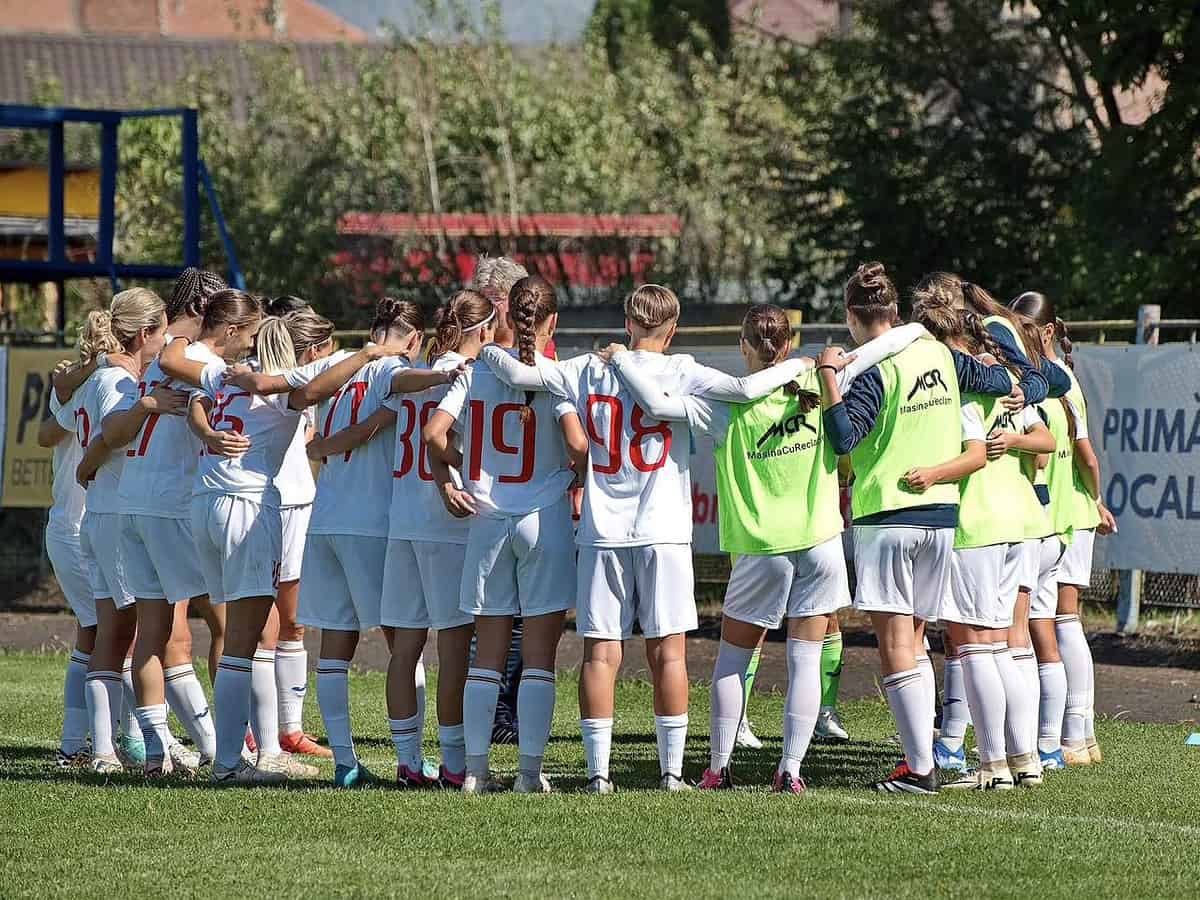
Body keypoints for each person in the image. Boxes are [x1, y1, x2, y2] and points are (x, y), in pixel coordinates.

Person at [478, 284, 861, 790]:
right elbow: (746, 390)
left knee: (600, 655)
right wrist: (799, 366)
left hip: (602, 531)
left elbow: (520, 372)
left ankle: (598, 774)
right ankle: (672, 772)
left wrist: (482, 345)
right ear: (673, 328)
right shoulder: (684, 369)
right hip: (664, 531)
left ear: (626, 321)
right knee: (670, 653)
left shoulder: (587, 367)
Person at [605, 304, 926, 793]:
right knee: (803, 658)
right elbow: (885, 346)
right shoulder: (821, 385)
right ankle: (791, 771)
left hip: (761, 547)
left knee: (733, 659)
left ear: (743, 346)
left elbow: (657, 405)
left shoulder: (726, 406)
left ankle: (718, 767)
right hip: (819, 542)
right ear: (790, 345)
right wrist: (915, 328)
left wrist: (621, 359)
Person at [817, 262, 1014, 794]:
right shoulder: (941, 353)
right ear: (898, 311)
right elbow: (1000, 379)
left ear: (852, 317)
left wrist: (831, 376)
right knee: (920, 637)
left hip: (889, 513)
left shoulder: (872, 370)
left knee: (895, 643)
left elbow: (843, 436)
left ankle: (919, 767)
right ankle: (927, 756)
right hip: (943, 515)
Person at [254, 298, 455, 788]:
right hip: (370, 523)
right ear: (411, 339)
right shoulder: (391, 368)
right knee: (404, 642)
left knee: (335, 646)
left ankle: (346, 762)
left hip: (326, 518)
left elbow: (336, 418)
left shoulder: (344, 368)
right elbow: (377, 417)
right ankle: (411, 758)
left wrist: (322, 446)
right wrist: (442, 374)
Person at [424, 275, 586, 794]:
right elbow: (579, 446)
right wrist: (573, 476)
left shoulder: (475, 372)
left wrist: (458, 471)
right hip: (544, 517)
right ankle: (529, 774)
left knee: (486, 653)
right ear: (552, 322)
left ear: (505, 317)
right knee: (538, 657)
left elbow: (433, 434)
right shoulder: (555, 376)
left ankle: (474, 771)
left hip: (489, 518)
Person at [317, 290, 485, 788]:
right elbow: (442, 437)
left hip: (400, 524)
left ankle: (409, 760)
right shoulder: (461, 374)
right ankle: (454, 763)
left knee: (405, 647)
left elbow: (374, 423)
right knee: (455, 648)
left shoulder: (409, 374)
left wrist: (322, 447)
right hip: (445, 522)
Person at [908, 294, 1055, 790]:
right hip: (1023, 522)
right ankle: (1026, 760)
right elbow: (1044, 436)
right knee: (1010, 645)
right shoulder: (1010, 383)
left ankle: (992, 765)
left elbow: (969, 452)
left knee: (974, 646)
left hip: (979, 524)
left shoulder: (963, 388)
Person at [111, 271, 232, 775]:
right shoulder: (193, 356)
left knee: (153, 630)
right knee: (234, 622)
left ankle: (159, 749)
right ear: (205, 304)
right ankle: (233, 745)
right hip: (169, 504)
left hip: (132, 501)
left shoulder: (149, 359)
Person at [72, 289, 185, 774]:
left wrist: (86, 466)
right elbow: (112, 432)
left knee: (114, 635)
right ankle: (119, 747)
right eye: (162, 333)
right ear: (145, 334)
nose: (165, 343)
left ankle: (113, 746)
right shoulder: (116, 378)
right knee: (124, 636)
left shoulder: (109, 374)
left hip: (105, 513)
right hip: (116, 517)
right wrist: (149, 406)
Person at [1011, 291, 1116, 766]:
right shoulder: (1052, 379)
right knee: (1060, 622)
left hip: (1064, 515)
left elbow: (1085, 453)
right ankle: (1078, 734)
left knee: (1058, 623)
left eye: (1023, 328)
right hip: (1069, 514)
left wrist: (1093, 500)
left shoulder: (1058, 382)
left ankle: (1071, 733)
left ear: (1047, 332)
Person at [37, 325, 120, 768]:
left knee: (93, 633)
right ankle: (96, 743)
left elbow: (47, 432)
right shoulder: (98, 386)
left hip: (79, 524)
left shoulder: (78, 385)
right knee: (109, 633)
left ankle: (78, 744)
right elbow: (49, 434)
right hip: (78, 525)